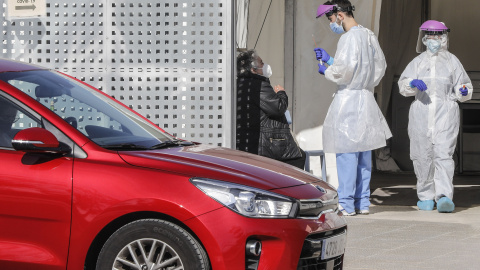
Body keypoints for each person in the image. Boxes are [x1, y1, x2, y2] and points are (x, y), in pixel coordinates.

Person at [314, 0, 391, 216]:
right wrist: (331, 60)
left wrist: (328, 69)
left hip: (348, 100)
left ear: (339, 14)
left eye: (330, 19)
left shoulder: (348, 38)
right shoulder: (368, 35)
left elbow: (344, 71)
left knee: (346, 153)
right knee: (364, 153)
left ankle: (347, 204)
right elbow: (379, 66)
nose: (331, 24)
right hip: (366, 99)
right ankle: (363, 202)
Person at [398, 20, 473, 213]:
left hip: (446, 114)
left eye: (438, 35)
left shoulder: (452, 61)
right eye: (430, 35)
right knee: (422, 156)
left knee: (443, 155)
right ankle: (425, 196)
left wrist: (463, 91)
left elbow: (464, 86)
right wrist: (412, 83)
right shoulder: (418, 62)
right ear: (423, 37)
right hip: (421, 113)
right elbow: (403, 86)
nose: (434, 39)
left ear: (445, 37)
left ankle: (444, 197)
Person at [236, 49, 306, 169]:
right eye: (261, 63)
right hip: (266, 142)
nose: (265, 66)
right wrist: (281, 93)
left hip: (253, 140)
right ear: (253, 69)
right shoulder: (258, 84)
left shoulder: (241, 83)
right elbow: (278, 107)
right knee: (298, 158)